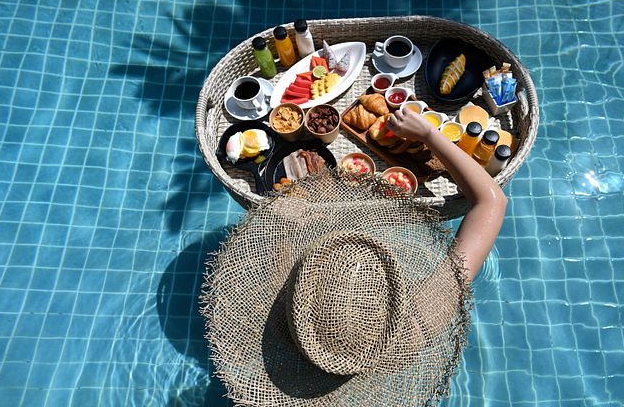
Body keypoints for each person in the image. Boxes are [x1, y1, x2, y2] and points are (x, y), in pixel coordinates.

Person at [201, 106, 509, 406]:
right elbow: (491, 202)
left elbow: (281, 218)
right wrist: (429, 135)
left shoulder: (273, 273)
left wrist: (294, 210)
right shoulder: (418, 323)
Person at [387, 106, 508, 278]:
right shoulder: (440, 296)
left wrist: (427, 134)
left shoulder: (442, 295)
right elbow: (493, 201)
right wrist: (428, 134)